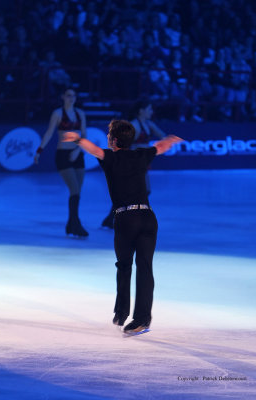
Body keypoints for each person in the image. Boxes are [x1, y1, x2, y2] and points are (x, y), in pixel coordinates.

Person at [62, 120, 183, 334]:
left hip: (126, 219)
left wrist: (78, 139)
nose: (107, 137)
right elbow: (161, 147)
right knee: (145, 267)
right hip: (148, 217)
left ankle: (121, 311)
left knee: (124, 265)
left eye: (109, 135)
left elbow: (95, 150)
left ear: (114, 140)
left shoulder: (111, 158)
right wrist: (169, 140)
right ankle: (142, 319)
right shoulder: (141, 155)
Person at [101, 100, 167, 230]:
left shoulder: (148, 124)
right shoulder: (135, 126)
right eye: (149, 109)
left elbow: (162, 135)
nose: (151, 112)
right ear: (141, 111)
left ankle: (112, 219)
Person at [34, 87, 88, 237]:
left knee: (77, 192)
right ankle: (75, 224)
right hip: (63, 155)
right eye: (69, 95)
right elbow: (49, 132)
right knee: (75, 190)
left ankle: (71, 224)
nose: (72, 98)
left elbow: (84, 134)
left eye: (74, 96)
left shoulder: (80, 114)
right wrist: (39, 151)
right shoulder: (58, 114)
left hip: (77, 154)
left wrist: (78, 150)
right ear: (63, 97)